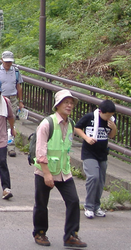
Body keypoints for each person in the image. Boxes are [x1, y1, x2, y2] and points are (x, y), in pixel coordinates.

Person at [32, 89, 87, 248]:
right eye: (66, 102)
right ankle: (40, 233)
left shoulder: (70, 124)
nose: (69, 106)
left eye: (71, 103)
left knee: (73, 201)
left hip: (63, 171)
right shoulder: (47, 123)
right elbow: (40, 151)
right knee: (41, 204)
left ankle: (71, 235)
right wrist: (47, 173)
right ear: (58, 105)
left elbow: (66, 147)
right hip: (45, 171)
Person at [74, 100, 117, 220]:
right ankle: (88, 206)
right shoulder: (90, 117)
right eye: (107, 115)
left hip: (102, 154)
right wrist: (86, 138)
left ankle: (96, 206)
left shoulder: (111, 121)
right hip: (89, 153)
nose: (109, 117)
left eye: (111, 115)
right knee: (93, 177)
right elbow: (77, 128)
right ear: (101, 112)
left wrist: (114, 128)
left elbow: (112, 136)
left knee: (101, 181)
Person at [0, 50, 25, 156]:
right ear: (2, 60)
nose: (8, 64)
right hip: (0, 98)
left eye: (10, 62)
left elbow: (18, 87)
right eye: (6, 62)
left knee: (11, 122)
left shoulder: (16, 71)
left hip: (12, 99)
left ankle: (10, 146)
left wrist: (20, 101)